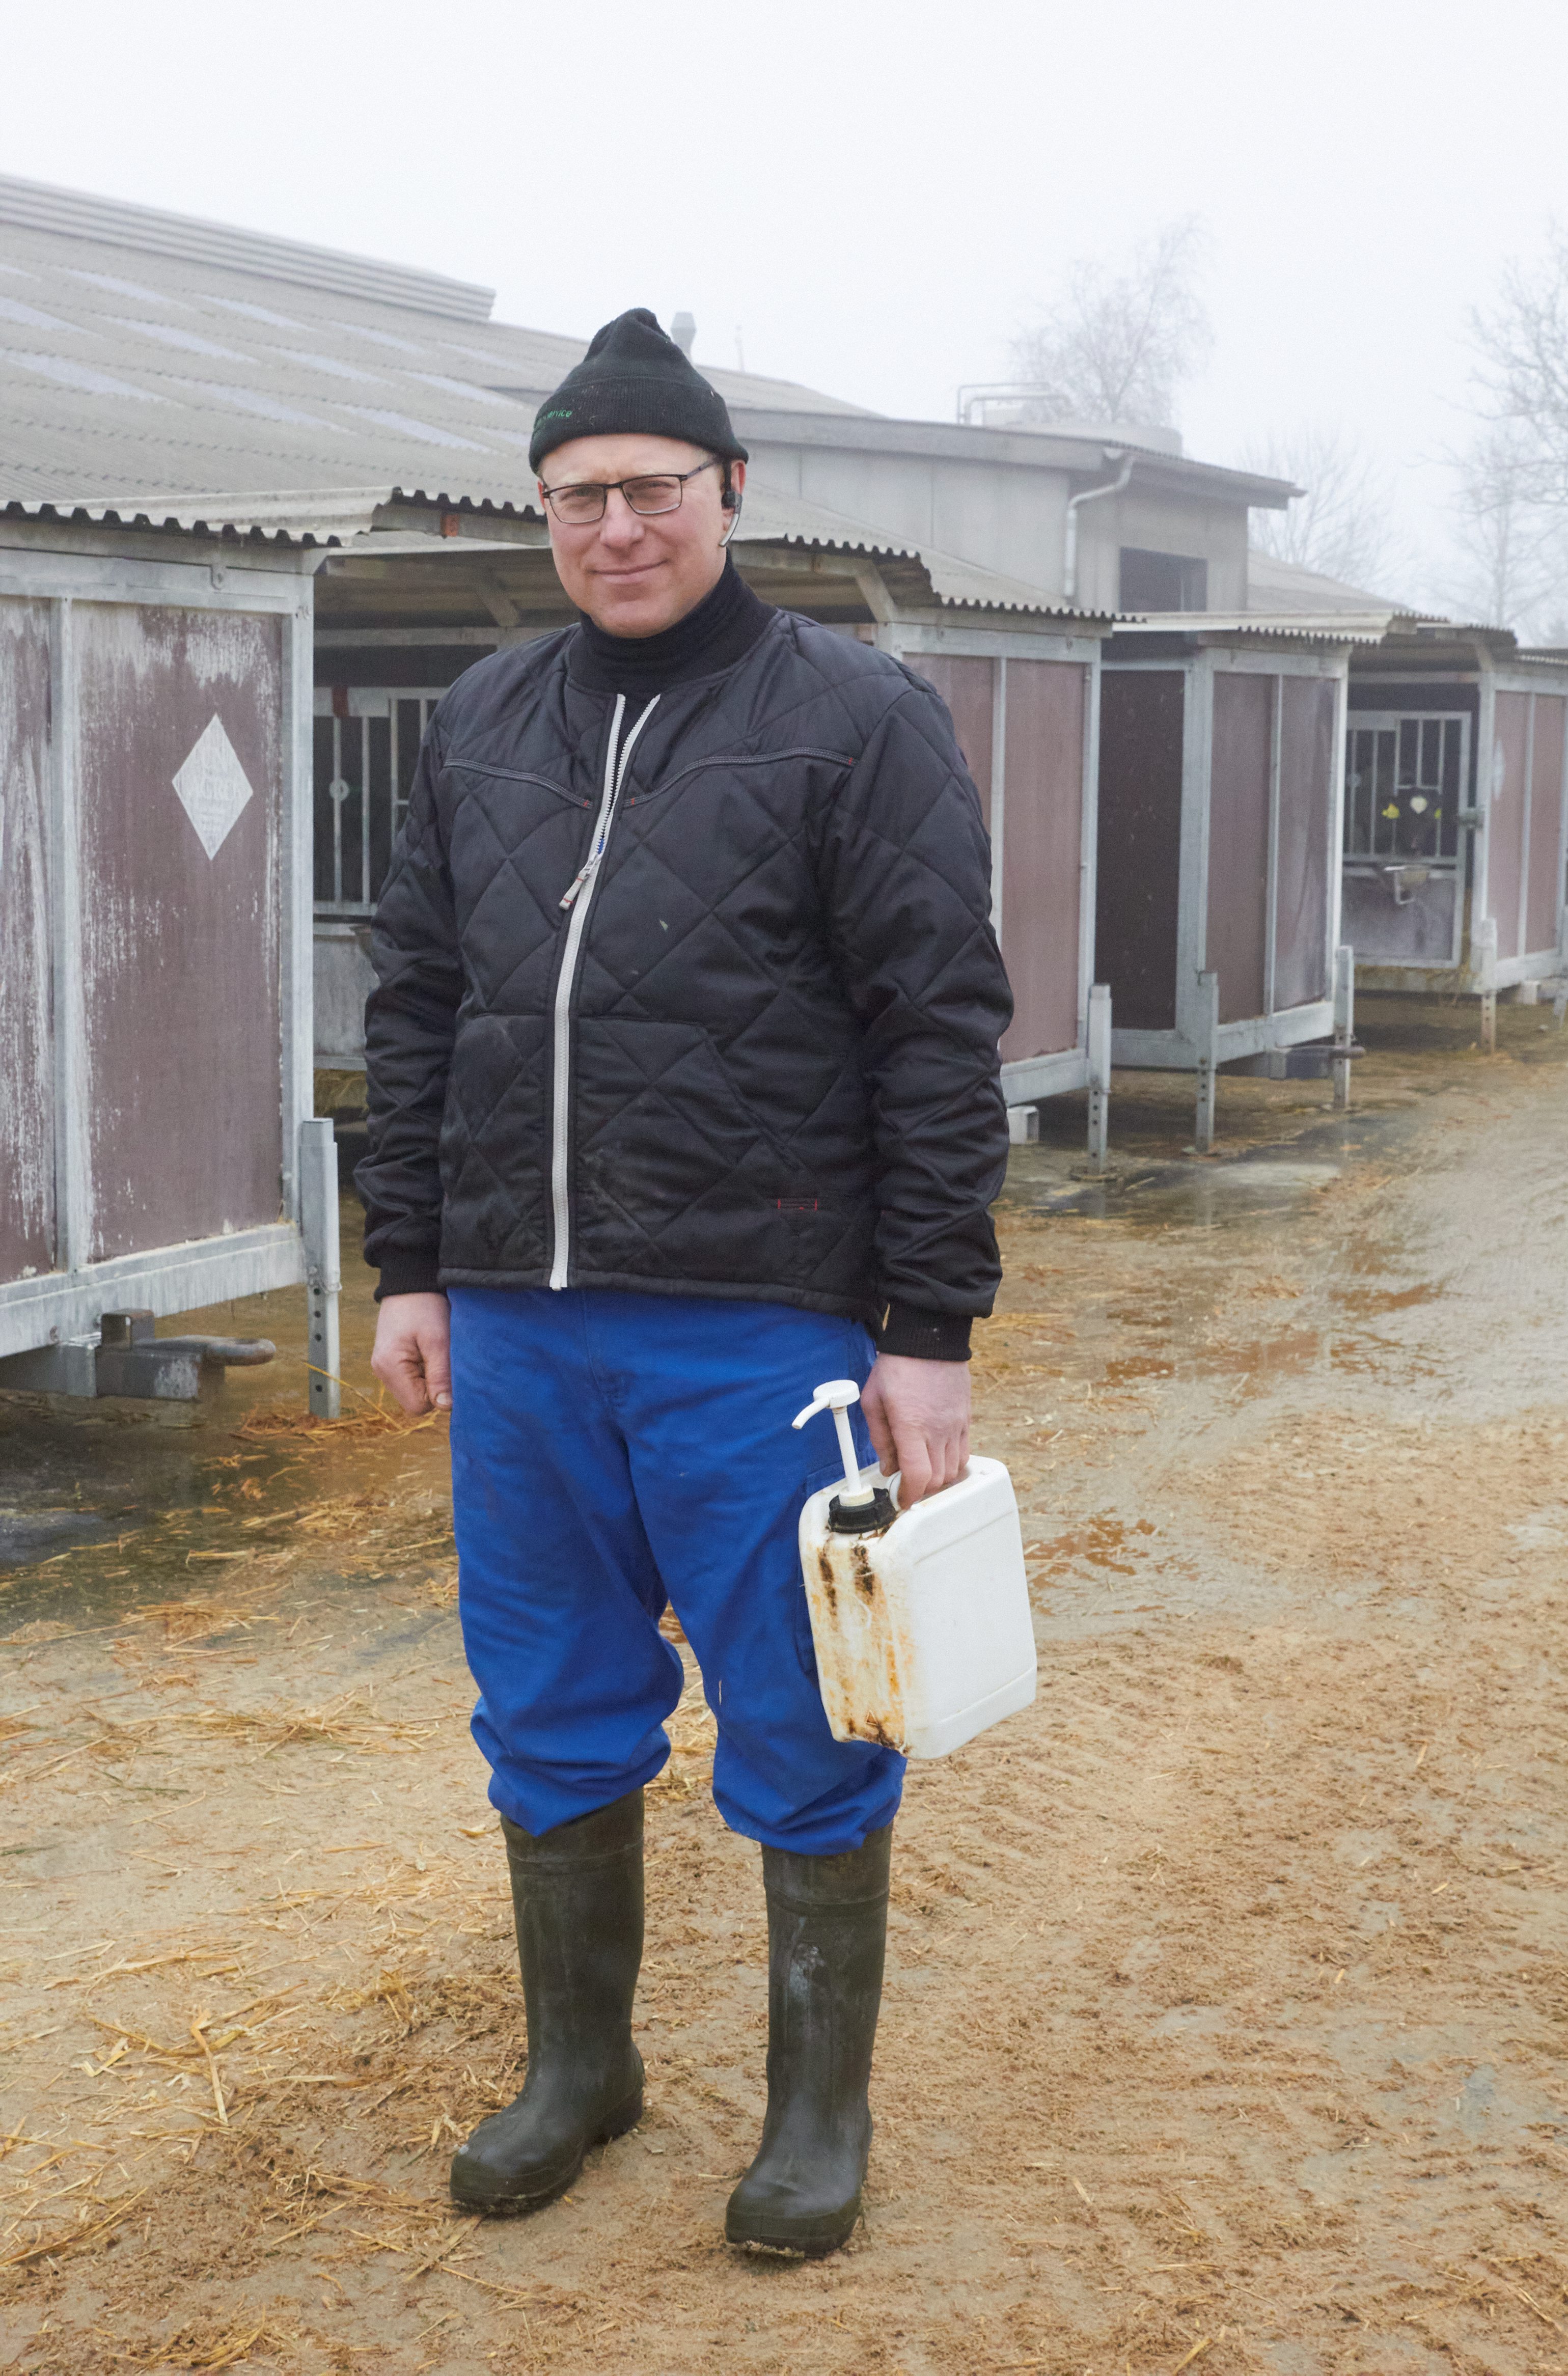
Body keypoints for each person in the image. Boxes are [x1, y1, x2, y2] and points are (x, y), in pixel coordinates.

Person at [359, 308, 1012, 2256]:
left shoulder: (854, 715)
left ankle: (818, 2113)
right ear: (541, 513)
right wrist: (410, 1263)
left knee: (810, 1707)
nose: (618, 526)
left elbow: (935, 1021)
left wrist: (928, 1328)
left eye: (654, 487)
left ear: (732, 489)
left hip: (760, 1324)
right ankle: (586, 2071)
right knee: (548, 1699)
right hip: (523, 1323)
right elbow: (417, 1001)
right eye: (581, 497)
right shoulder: (481, 720)